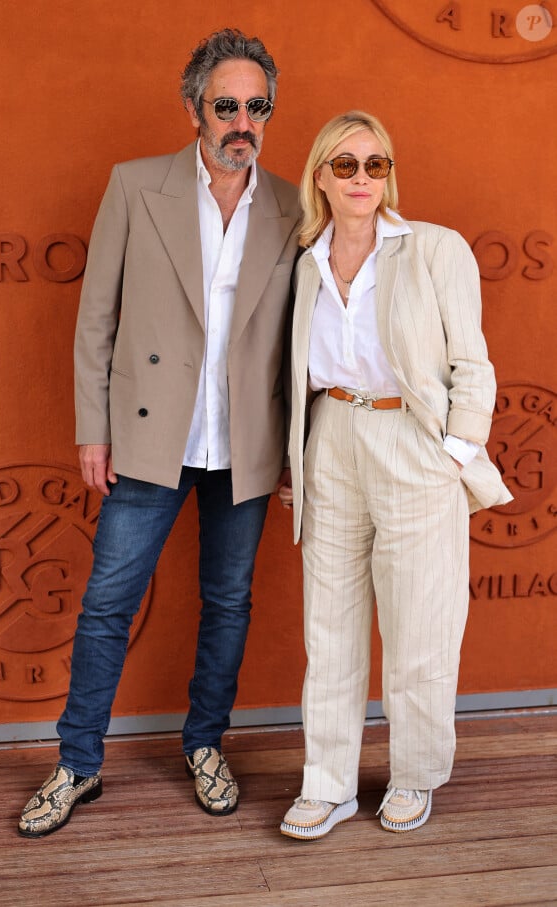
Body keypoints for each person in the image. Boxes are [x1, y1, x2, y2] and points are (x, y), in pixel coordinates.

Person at [18, 28, 299, 838]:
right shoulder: (135, 186)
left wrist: (293, 450)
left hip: (243, 442)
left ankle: (206, 743)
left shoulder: (288, 203)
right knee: (108, 601)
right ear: (194, 110)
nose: (241, 121)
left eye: (257, 106)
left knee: (228, 603)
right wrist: (92, 428)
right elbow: (96, 317)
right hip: (148, 438)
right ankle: (78, 761)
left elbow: (297, 340)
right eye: (226, 105)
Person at [277, 111, 512, 840]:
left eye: (374, 165)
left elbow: (472, 364)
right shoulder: (303, 258)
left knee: (420, 627)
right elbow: (290, 372)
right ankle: (328, 783)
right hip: (334, 436)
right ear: (320, 174)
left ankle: (413, 774)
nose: (360, 179)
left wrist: (451, 452)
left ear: (389, 175)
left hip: (412, 440)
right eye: (344, 165)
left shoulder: (434, 250)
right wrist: (294, 458)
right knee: (329, 622)